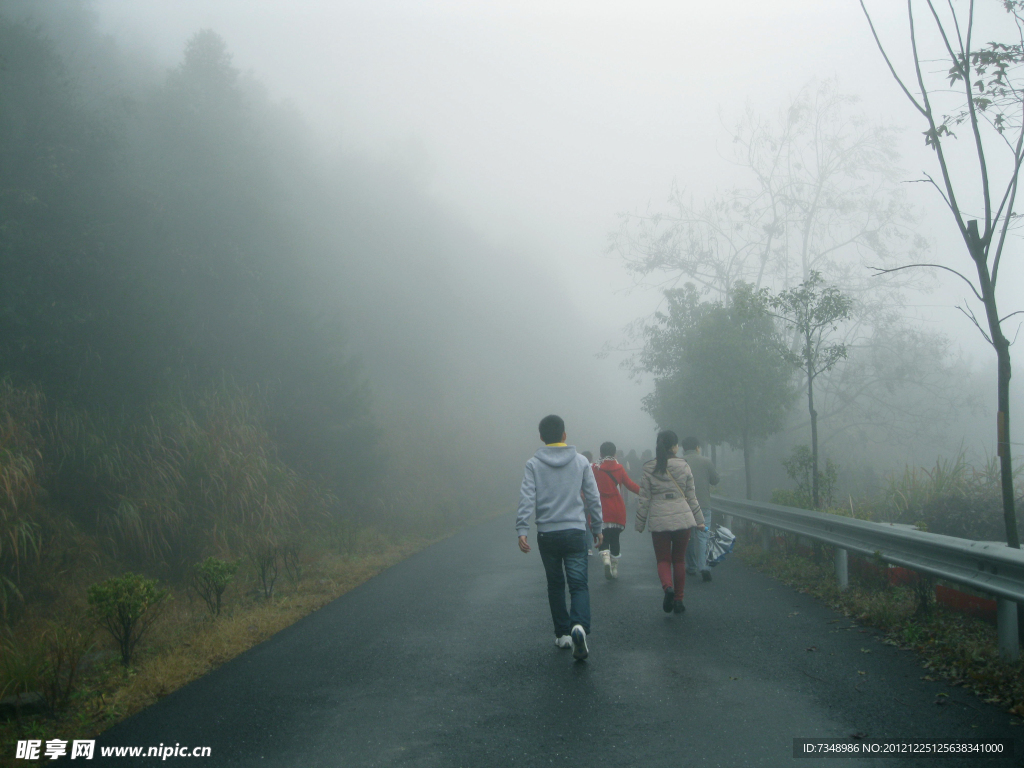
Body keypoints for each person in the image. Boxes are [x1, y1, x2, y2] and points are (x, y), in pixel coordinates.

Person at [516, 415, 603, 660]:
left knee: (555, 585)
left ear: (542, 437)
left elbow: (526, 498)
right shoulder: (581, 461)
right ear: (564, 435)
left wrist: (522, 529)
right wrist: (597, 527)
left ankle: (563, 634)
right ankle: (580, 627)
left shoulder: (533, 464)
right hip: (576, 531)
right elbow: (593, 497)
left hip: (547, 533)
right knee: (578, 584)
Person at [635, 430, 705, 614]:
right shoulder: (684, 466)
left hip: (659, 519)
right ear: (675, 447)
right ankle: (679, 600)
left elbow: (644, 498)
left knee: (663, 560)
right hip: (683, 517)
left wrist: (640, 523)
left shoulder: (649, 467)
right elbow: (692, 496)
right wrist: (700, 521)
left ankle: (668, 588)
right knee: (679, 560)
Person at [593, 441, 640, 579]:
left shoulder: (595, 469)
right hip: (617, 508)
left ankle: (605, 559)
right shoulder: (619, 468)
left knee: (603, 537)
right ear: (614, 454)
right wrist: (645, 492)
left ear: (600, 453)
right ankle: (614, 568)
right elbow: (631, 485)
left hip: (601, 509)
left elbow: (588, 488)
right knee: (615, 538)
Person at [682, 437, 720, 581]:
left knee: (688, 537)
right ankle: (703, 566)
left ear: (683, 448)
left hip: (685, 505)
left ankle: (691, 566)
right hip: (703, 504)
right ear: (698, 447)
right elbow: (715, 480)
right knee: (703, 536)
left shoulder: (680, 462)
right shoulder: (706, 461)